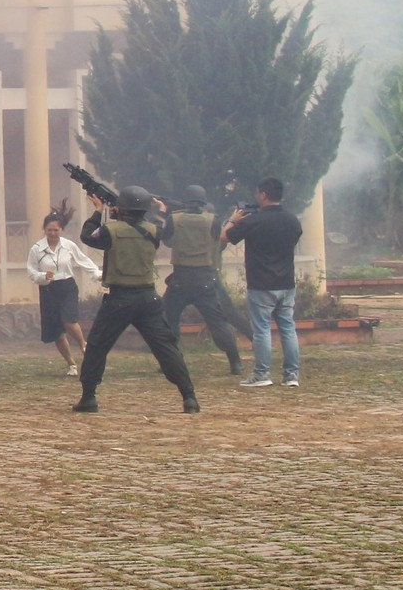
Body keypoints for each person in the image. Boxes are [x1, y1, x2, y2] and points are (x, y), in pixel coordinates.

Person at [74, 186, 200, 415]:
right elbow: (152, 227)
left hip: (119, 298)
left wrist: (98, 211)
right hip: (148, 297)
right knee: (166, 348)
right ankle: (188, 395)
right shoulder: (154, 231)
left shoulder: (110, 231)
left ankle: (89, 396)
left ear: (121, 208)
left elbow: (88, 235)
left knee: (97, 346)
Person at [220, 177, 304, 388]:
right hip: (286, 283)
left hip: (261, 284)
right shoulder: (292, 220)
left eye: (258, 193)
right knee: (288, 328)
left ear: (264, 194)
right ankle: (292, 375)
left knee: (262, 330)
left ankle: (262, 374)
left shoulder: (253, 221)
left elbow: (223, 237)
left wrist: (233, 219)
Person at [161, 185, 250, 376]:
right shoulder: (213, 220)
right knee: (218, 322)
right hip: (205, 278)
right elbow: (217, 240)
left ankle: (170, 362)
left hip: (180, 277)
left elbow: (167, 241)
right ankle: (235, 362)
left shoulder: (173, 219)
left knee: (169, 320)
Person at [27, 210, 100, 375]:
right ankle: (71, 365)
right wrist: (42, 276)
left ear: (62, 230)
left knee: (69, 320)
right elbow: (31, 272)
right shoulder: (37, 249)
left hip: (67, 287)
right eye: (49, 230)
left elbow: (83, 260)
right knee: (57, 332)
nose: (52, 233)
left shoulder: (68, 245)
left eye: (56, 230)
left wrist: (96, 274)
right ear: (44, 230)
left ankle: (83, 345)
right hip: (48, 289)